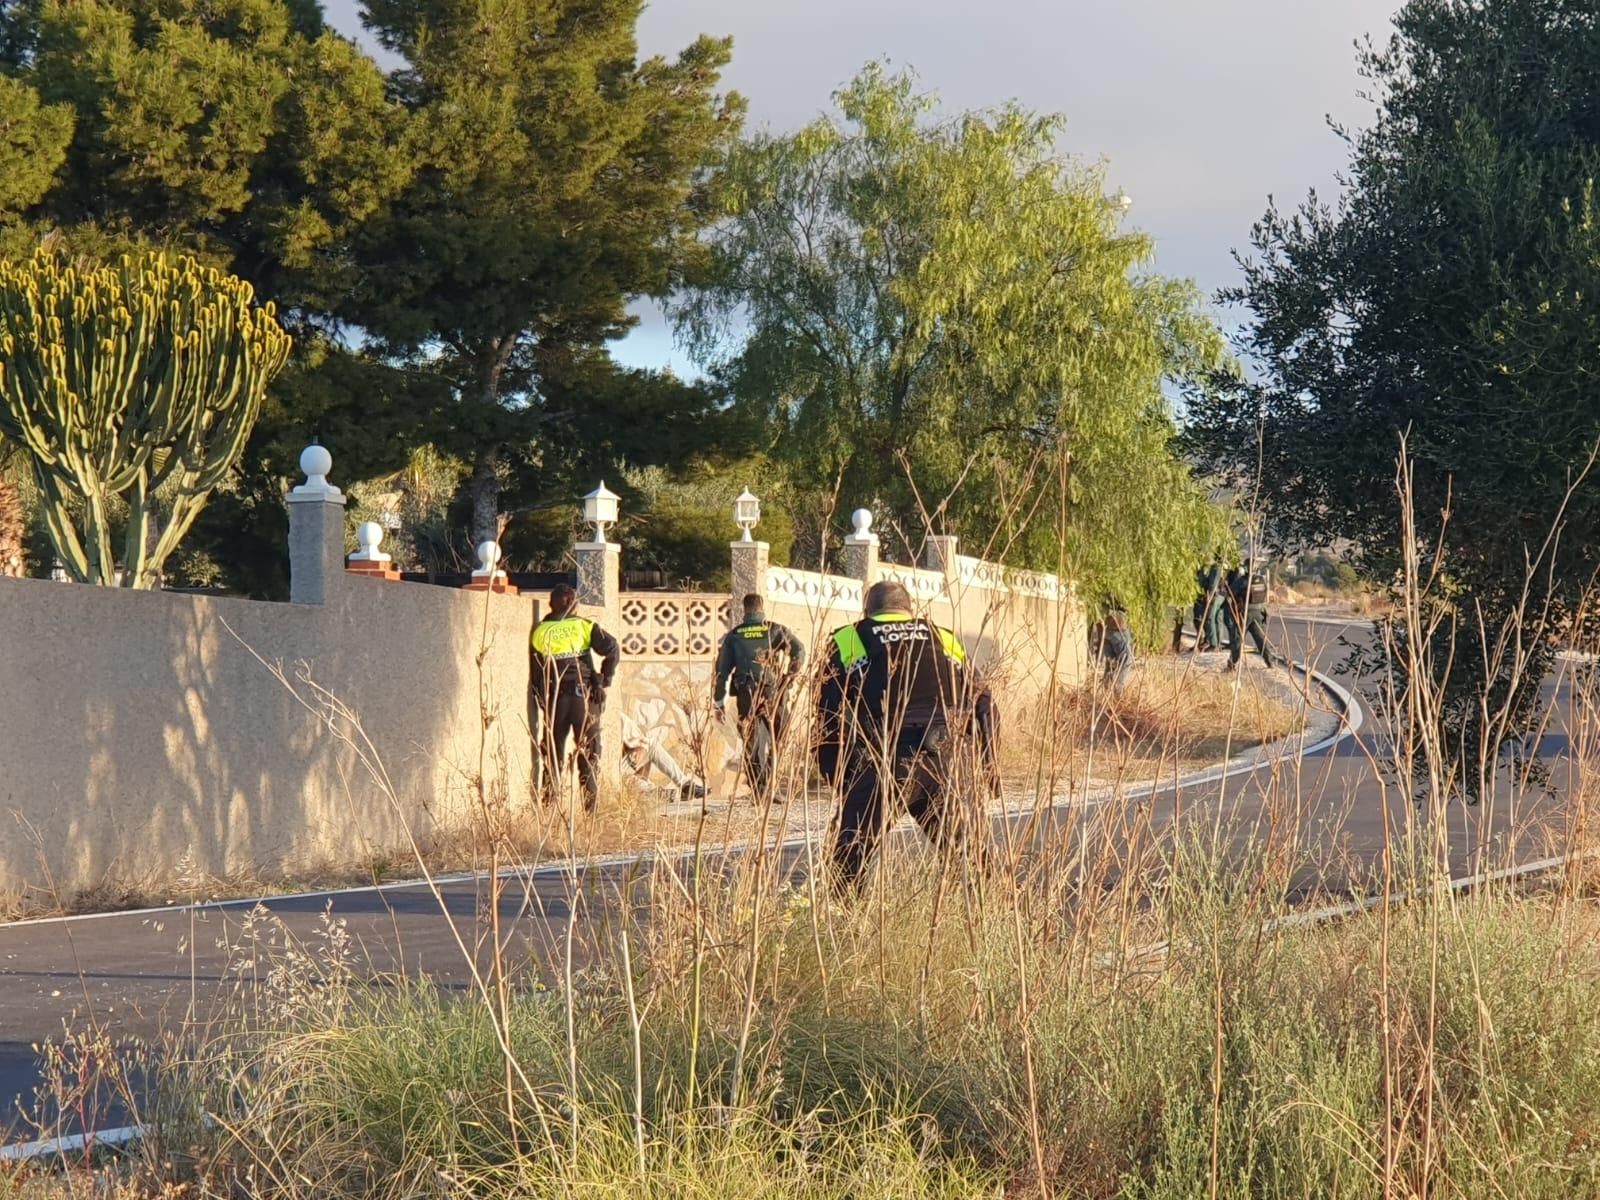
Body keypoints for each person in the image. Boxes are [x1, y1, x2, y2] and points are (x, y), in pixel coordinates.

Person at [816, 580, 994, 893]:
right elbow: (984, 702)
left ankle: (843, 934)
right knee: (972, 862)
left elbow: (828, 713)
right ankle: (988, 919)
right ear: (910, 610)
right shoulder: (944, 637)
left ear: (867, 610)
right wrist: (988, 764)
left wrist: (837, 775)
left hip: (883, 762)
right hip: (943, 762)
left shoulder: (848, 638)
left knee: (847, 865)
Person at [529, 583, 619, 810]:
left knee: (552, 755)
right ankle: (591, 814)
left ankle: (549, 809)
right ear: (571, 603)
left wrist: (542, 700)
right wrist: (604, 680)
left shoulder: (539, 631)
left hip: (555, 698)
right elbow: (613, 648)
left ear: (552, 604)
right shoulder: (584, 626)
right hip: (584, 698)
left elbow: (537, 673)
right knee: (589, 755)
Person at [713, 593, 805, 797]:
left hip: (746, 694)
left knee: (750, 740)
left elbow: (722, 672)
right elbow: (799, 649)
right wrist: (790, 676)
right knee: (778, 735)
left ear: (744, 610)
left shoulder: (734, 636)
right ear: (762, 607)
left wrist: (718, 702)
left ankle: (758, 788)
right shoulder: (773, 629)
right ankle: (770, 782)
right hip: (772, 691)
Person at [620, 709, 707, 802]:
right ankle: (654, 793)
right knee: (630, 780)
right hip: (617, 773)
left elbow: (631, 733)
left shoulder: (615, 715)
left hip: (624, 764)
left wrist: (639, 746)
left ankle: (685, 784)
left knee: (651, 744)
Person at [1224, 564, 1275, 671]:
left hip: (1245, 613)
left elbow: (1231, 593)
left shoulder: (1241, 581)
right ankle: (1269, 661)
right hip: (1260, 612)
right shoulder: (1261, 580)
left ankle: (1232, 664)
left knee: (1238, 639)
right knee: (1261, 639)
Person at [1099, 595, 1135, 690]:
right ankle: (1117, 692)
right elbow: (1126, 603)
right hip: (1118, 629)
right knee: (1125, 661)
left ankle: (1106, 690)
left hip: (1106, 630)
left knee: (1110, 663)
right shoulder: (1121, 589)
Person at [1195, 560, 1227, 652]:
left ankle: (1213, 644)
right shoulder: (1223, 567)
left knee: (1210, 618)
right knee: (1218, 619)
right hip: (1222, 595)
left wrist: (1209, 594)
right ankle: (1218, 644)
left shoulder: (1216, 567)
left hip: (1215, 596)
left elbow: (1212, 584)